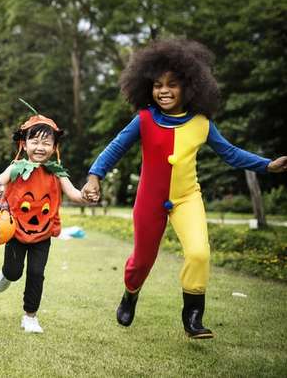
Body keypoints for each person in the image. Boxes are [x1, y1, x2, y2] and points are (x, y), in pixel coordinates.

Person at [81, 39, 287, 338]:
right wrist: (94, 176)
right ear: (147, 87)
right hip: (149, 200)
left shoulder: (202, 123)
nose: (163, 91)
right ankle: (130, 294)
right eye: (157, 85)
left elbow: (230, 153)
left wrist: (267, 165)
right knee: (141, 261)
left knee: (199, 253)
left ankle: (193, 315)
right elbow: (115, 148)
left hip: (187, 198)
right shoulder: (144, 119)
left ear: (190, 87)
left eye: (172, 84)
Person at [0, 112, 87, 333]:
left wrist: (87, 195)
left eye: (46, 142)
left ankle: (30, 316)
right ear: (24, 144)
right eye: (34, 141)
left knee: (36, 273)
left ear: (54, 147)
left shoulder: (57, 172)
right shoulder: (16, 167)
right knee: (15, 272)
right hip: (16, 230)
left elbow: (74, 193)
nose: (40, 147)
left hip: (43, 233)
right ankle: (7, 274)